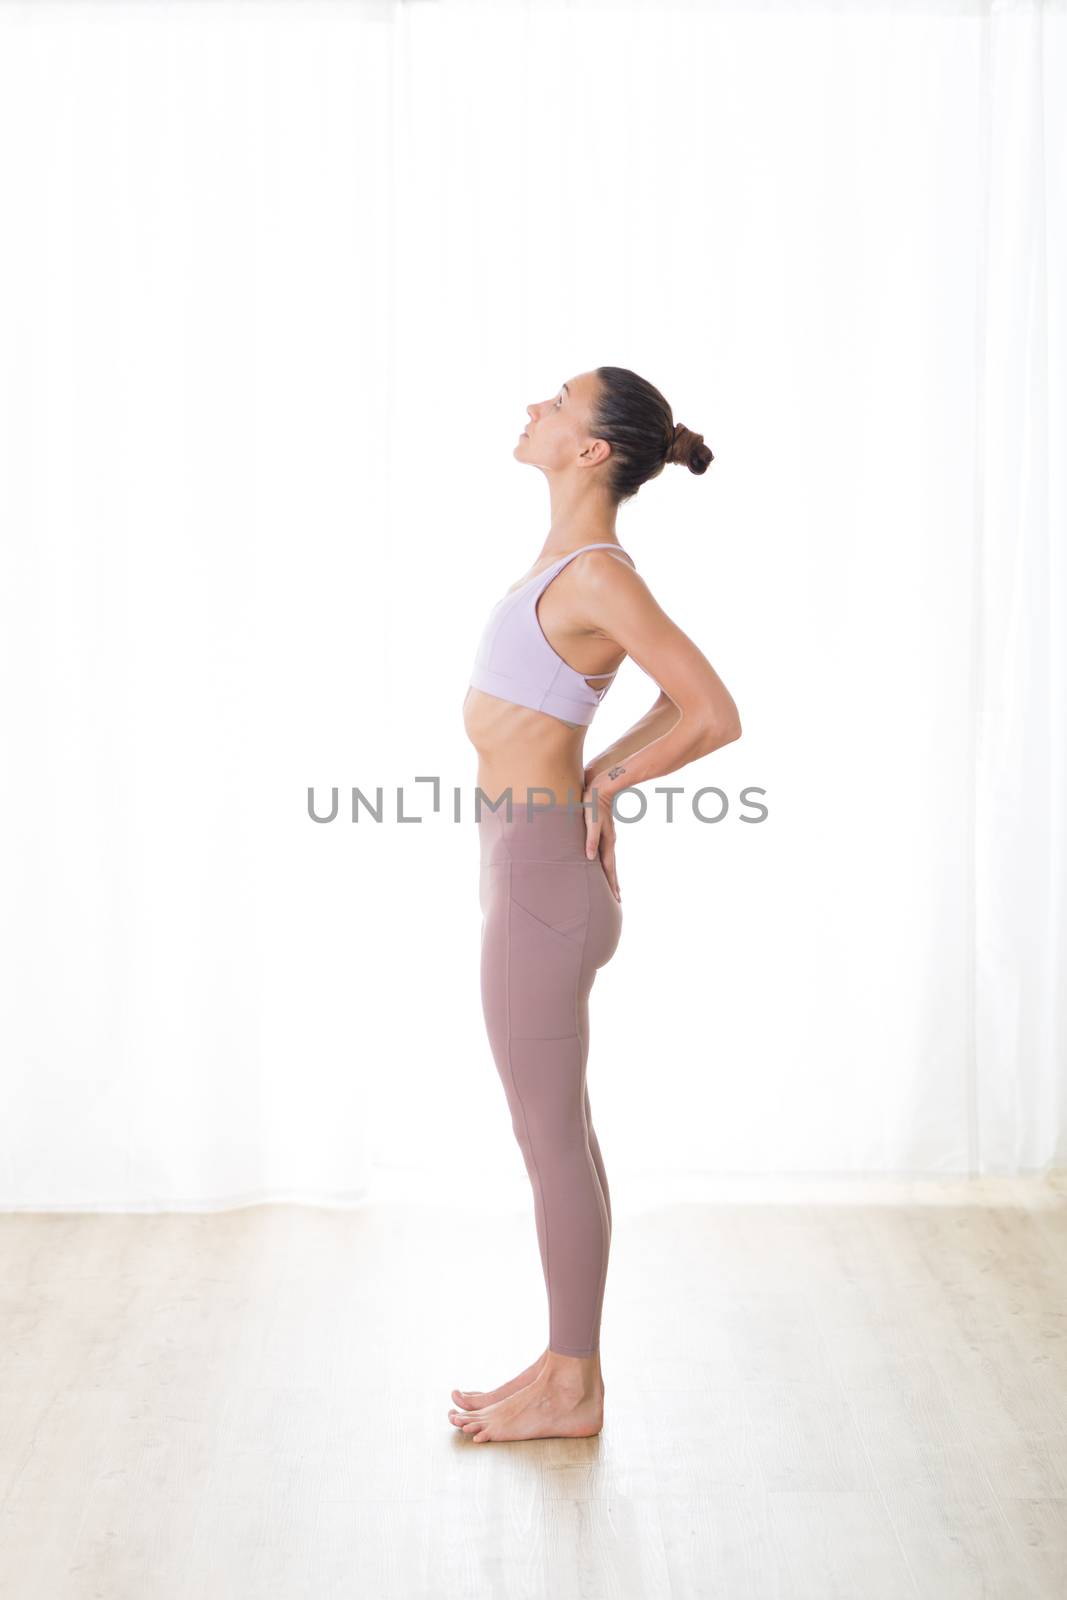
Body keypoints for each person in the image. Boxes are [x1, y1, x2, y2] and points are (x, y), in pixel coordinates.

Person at [450, 366, 742, 1443]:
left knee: (549, 1141)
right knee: (558, 1133)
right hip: (527, 868)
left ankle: (574, 1388)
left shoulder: (599, 574)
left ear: (587, 452)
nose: (531, 404)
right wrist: (595, 775)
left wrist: (603, 782)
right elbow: (665, 700)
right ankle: (565, 1365)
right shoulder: (570, 565)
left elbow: (710, 711)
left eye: (555, 402)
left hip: (540, 882)